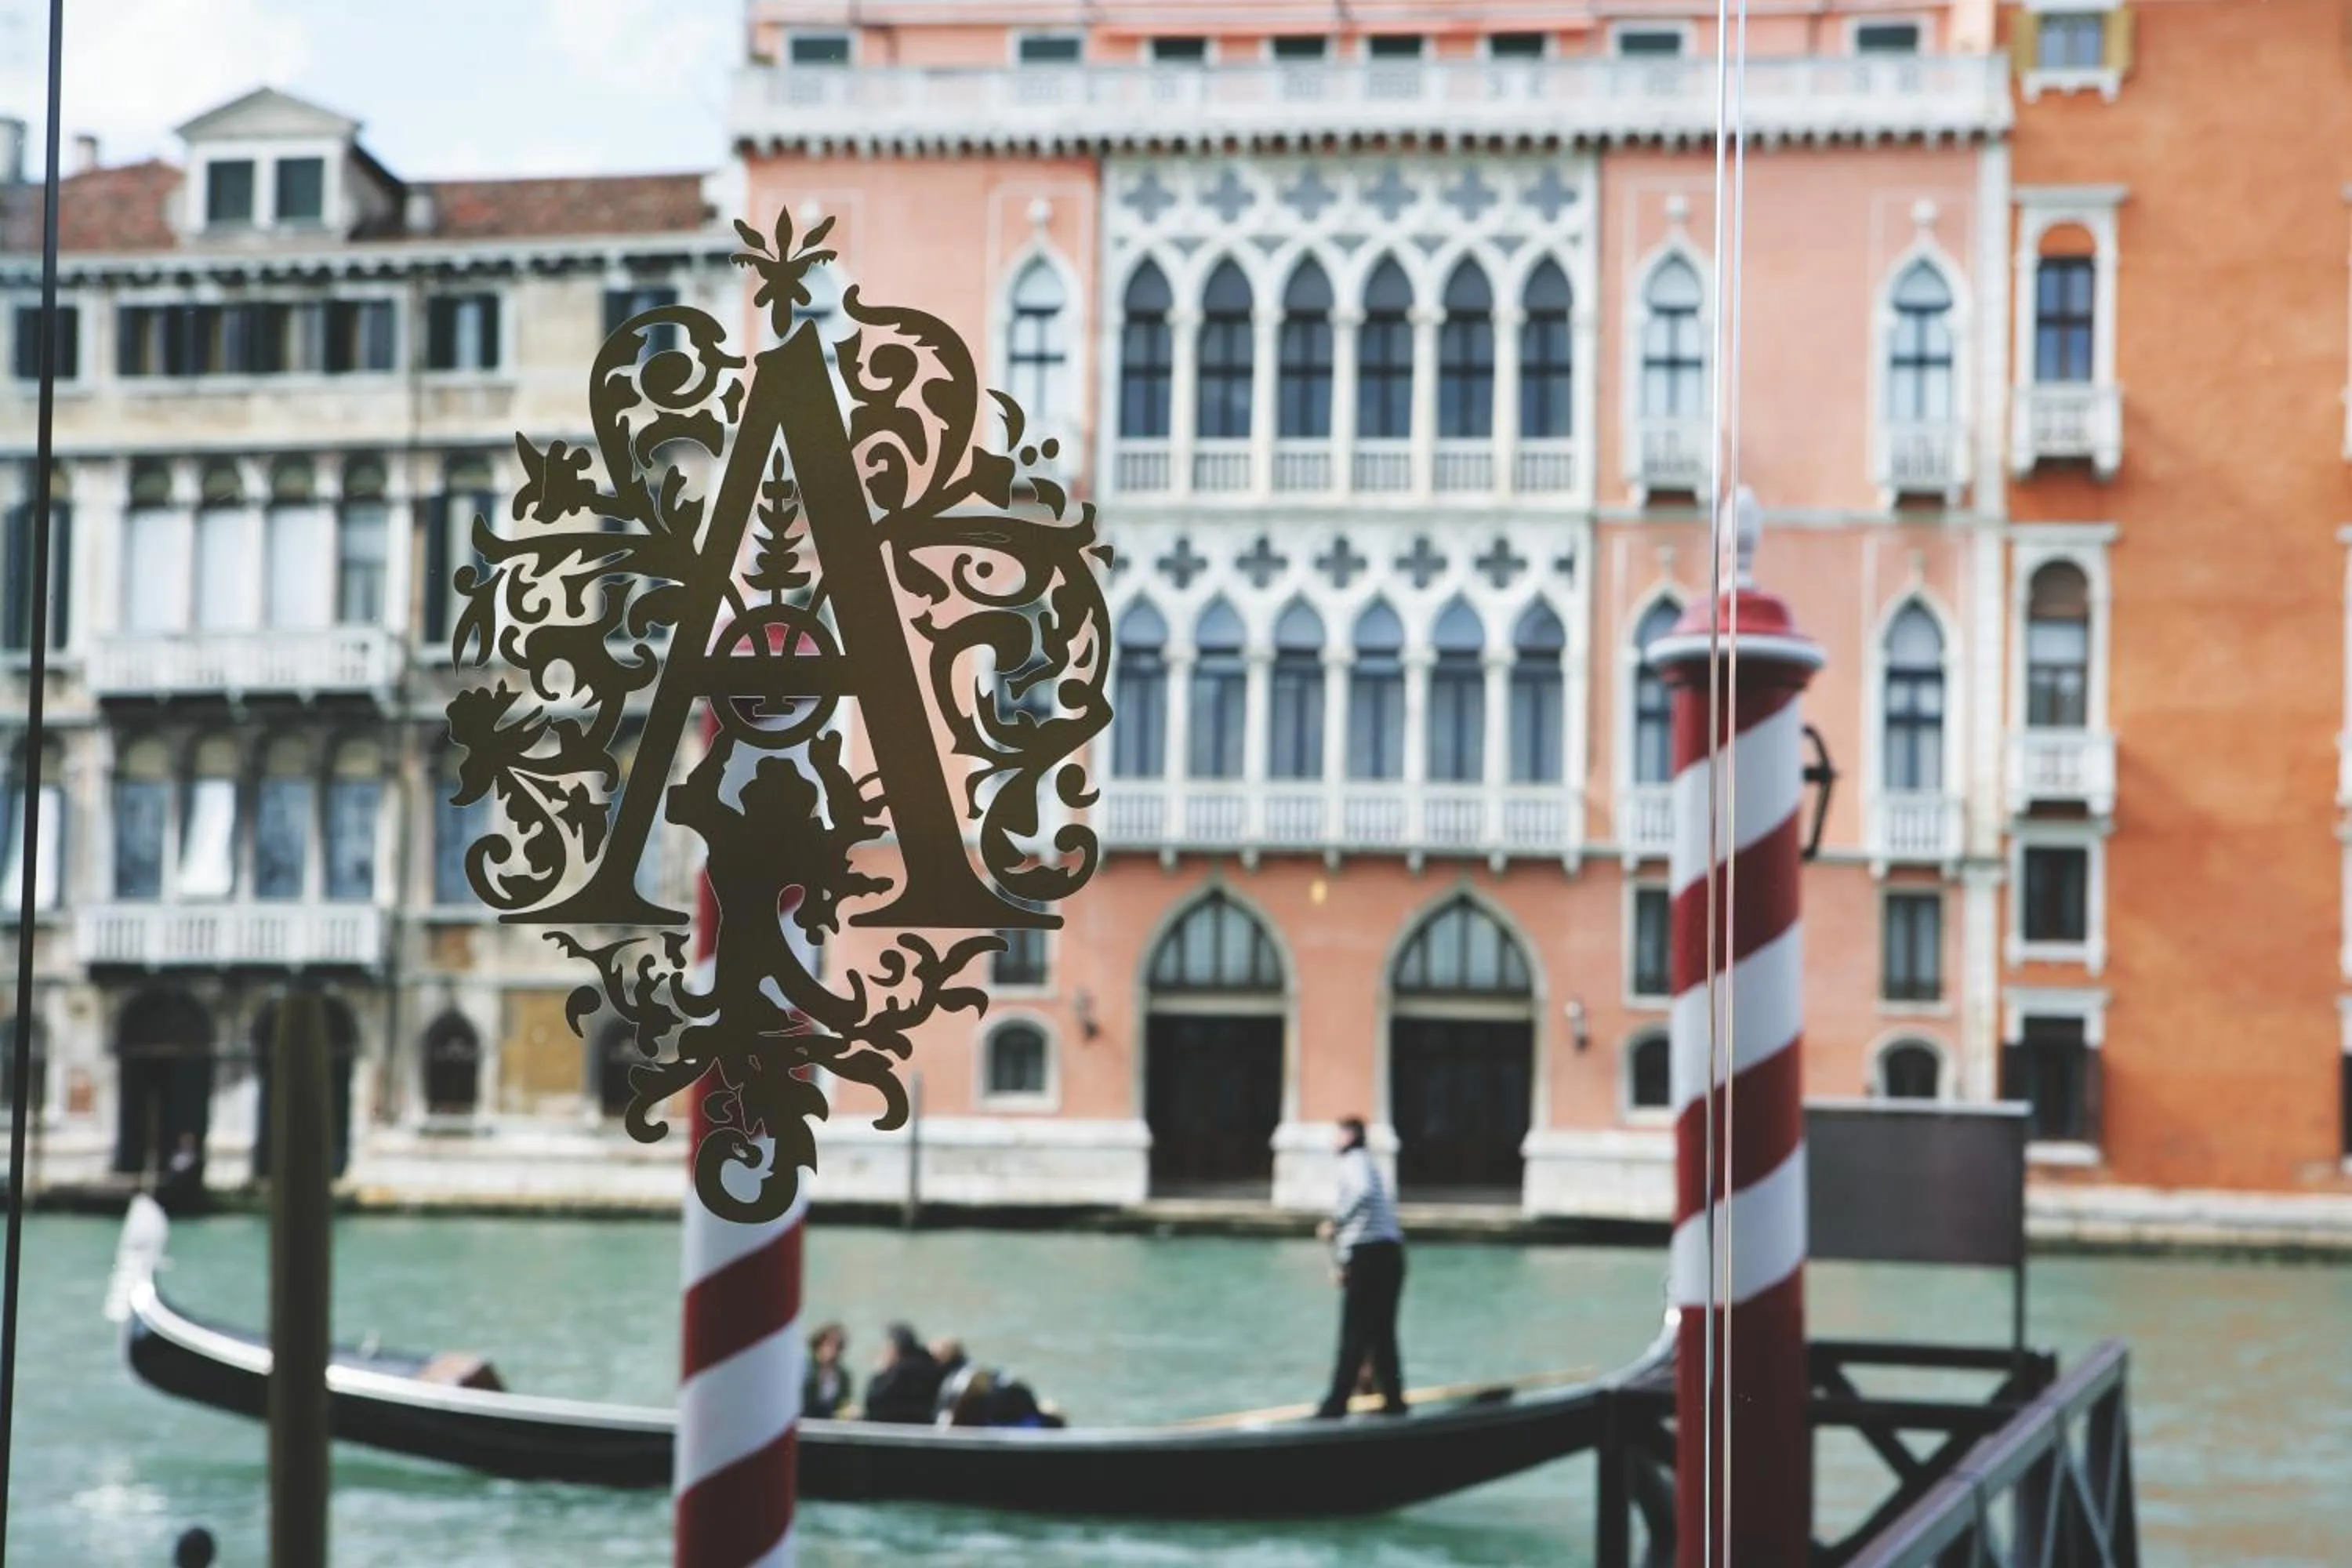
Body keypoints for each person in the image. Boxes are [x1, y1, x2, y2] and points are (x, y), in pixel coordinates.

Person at [1313, 1116, 1407, 1418]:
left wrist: (1336, 1222)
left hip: (1370, 1257)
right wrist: (1344, 1263)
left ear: (1350, 1136)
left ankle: (1336, 1405)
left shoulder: (1354, 1161)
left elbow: (1361, 1194)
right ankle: (1394, 1402)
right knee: (1381, 1335)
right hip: (1388, 1257)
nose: (1333, 1142)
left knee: (1353, 1334)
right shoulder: (1366, 1162)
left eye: (1337, 1135)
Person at [862, 1323, 944, 1424]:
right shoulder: (929, 1364)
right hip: (924, 1425)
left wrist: (880, 1373)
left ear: (894, 1348)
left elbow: (873, 1402)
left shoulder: (901, 1373)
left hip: (896, 1429)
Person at [802, 1323, 852, 1420]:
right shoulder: (806, 1370)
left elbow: (844, 1403)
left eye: (836, 1346)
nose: (830, 1350)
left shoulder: (843, 1376)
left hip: (831, 1424)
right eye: (827, 1344)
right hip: (807, 1421)